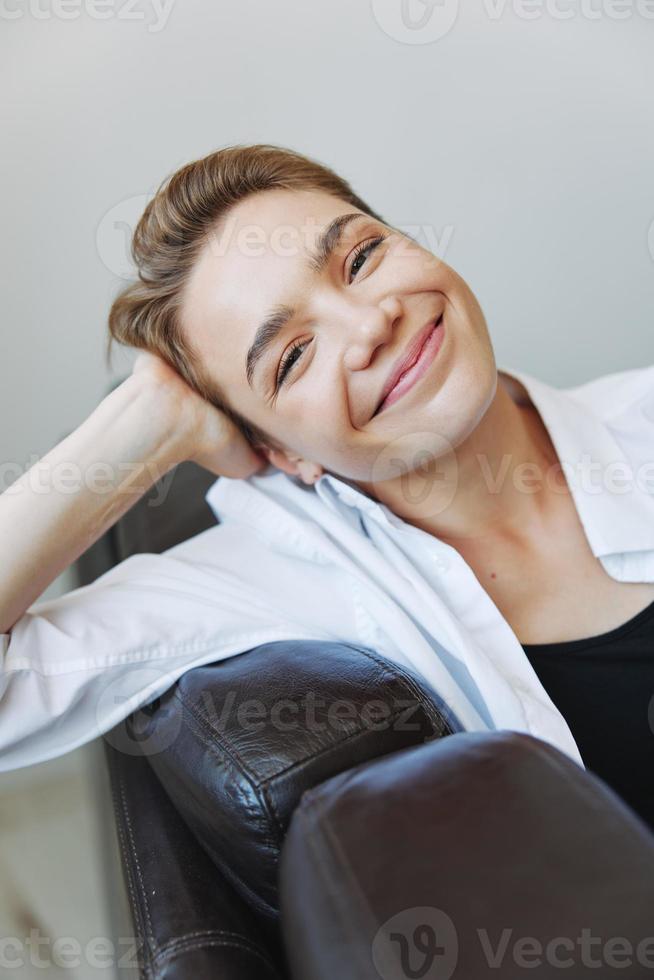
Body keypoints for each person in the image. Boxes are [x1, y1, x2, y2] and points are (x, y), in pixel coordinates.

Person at [1, 144, 653, 830]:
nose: (372, 325)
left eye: (362, 258)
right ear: (281, 452)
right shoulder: (283, 575)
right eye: (292, 357)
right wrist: (143, 424)